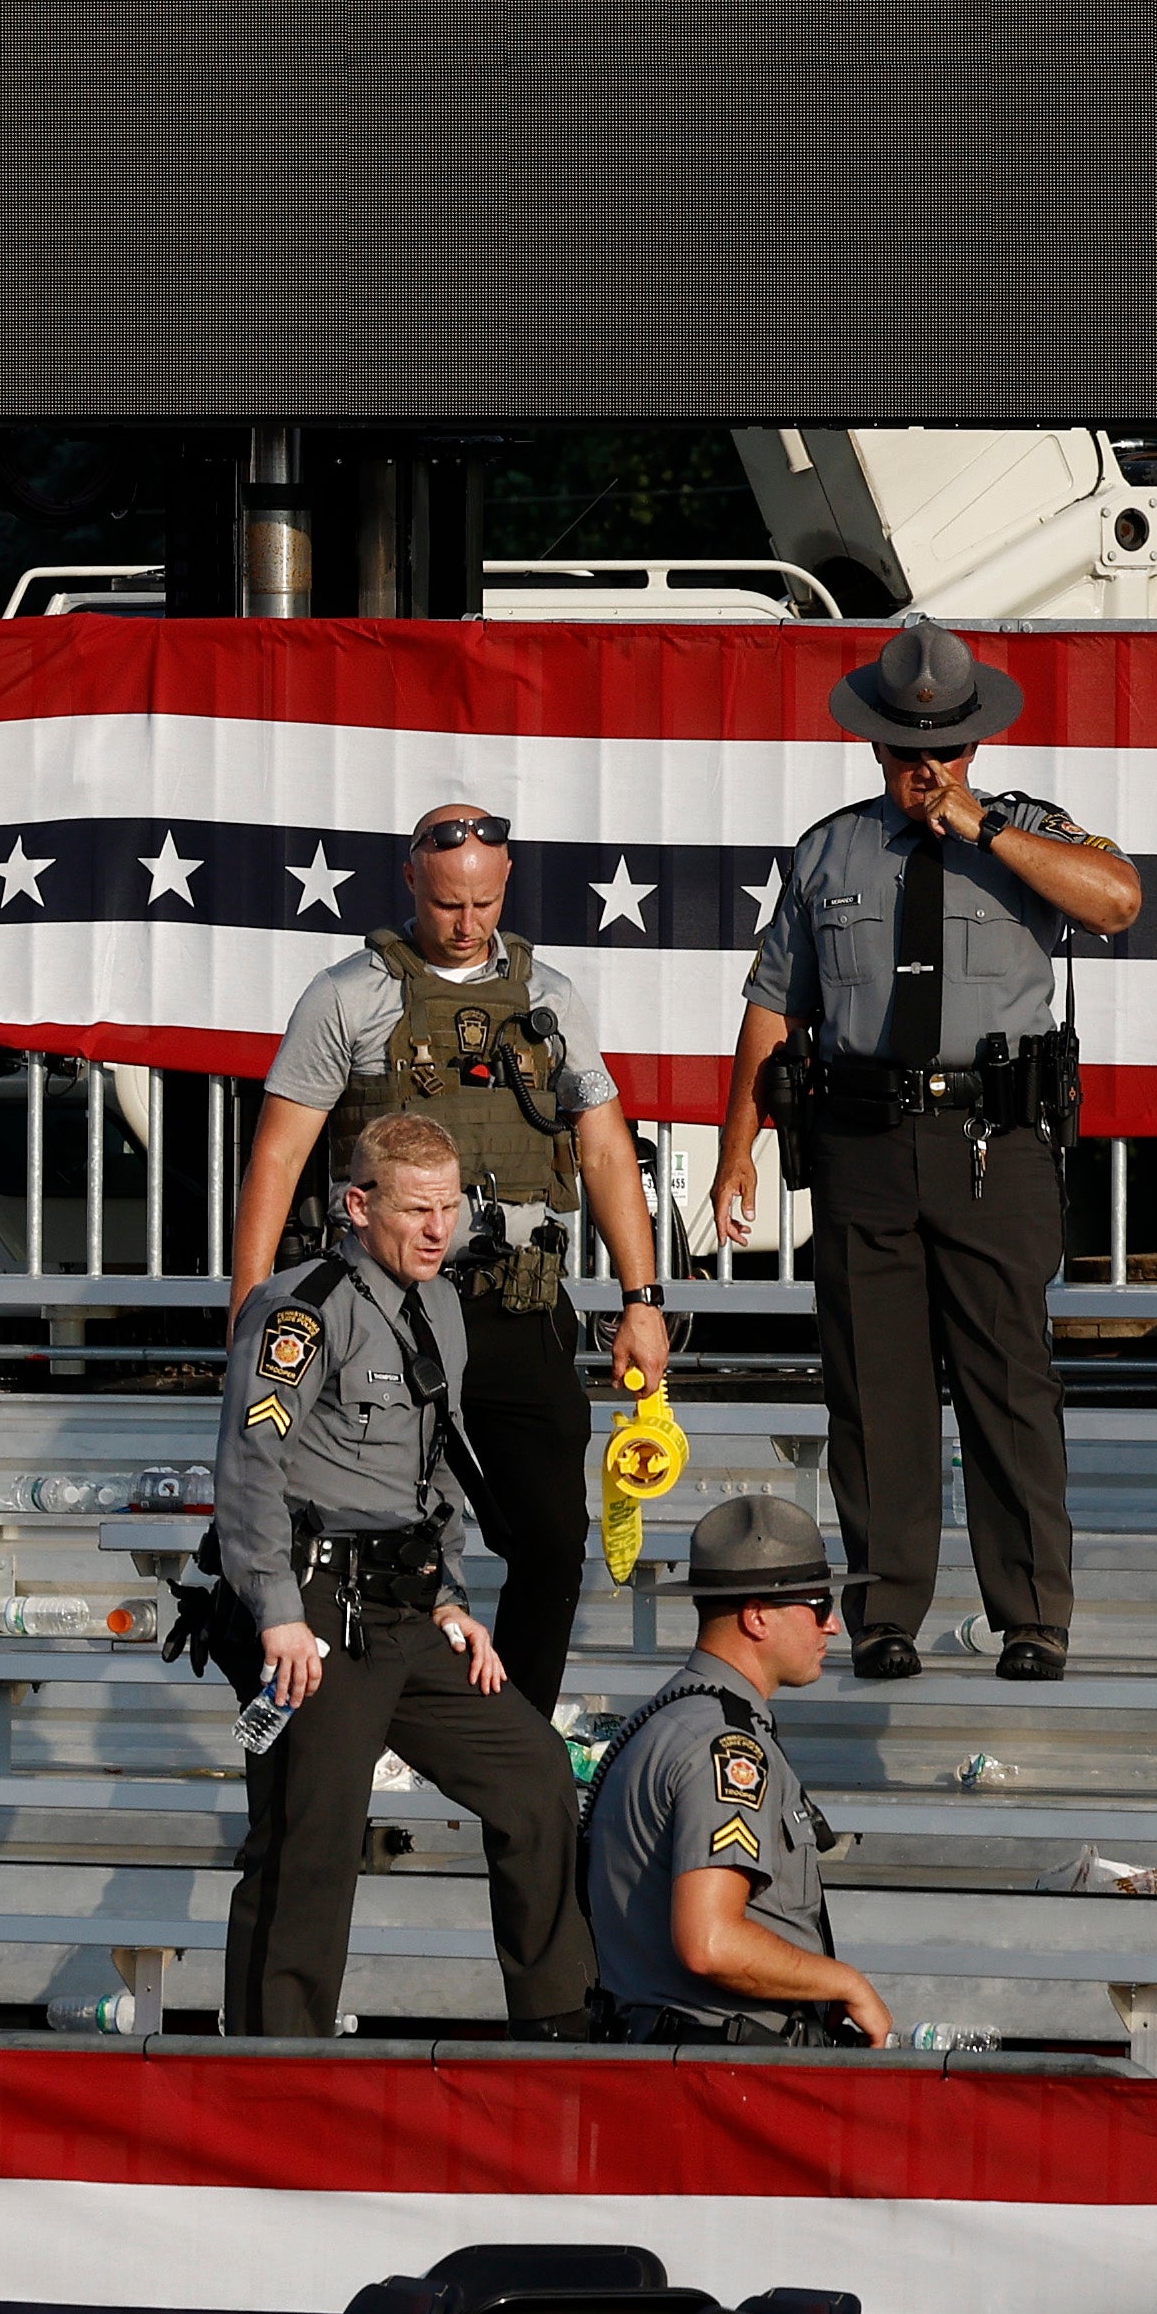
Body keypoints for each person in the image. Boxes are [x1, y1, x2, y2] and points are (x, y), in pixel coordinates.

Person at [712, 619, 1143, 1683]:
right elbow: (773, 1008)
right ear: (874, 750)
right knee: (874, 1389)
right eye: (908, 752)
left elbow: (1118, 899)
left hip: (991, 1144)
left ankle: (1030, 1615)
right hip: (861, 1139)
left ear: (972, 749)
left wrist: (984, 828)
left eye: (943, 750)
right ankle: (881, 1612)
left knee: (1007, 1385)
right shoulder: (828, 851)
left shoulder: (1027, 831)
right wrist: (737, 1150)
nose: (925, 769)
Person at [232, 802, 671, 1719]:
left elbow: (602, 1147)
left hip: (517, 1306)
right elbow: (278, 1154)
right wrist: (250, 1303)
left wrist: (643, 1296)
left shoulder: (551, 998)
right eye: (445, 906)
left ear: (505, 886)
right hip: (380, 1315)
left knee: (551, 1541)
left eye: (481, 904)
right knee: (381, 1537)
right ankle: (380, 1720)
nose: (466, 924)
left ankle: (513, 1738)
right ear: (410, 883)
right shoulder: (349, 995)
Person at [214, 1111, 599, 2040]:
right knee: (310, 1839)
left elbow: (438, 1476)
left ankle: (559, 2025)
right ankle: (274, 2062)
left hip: (409, 1606)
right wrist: (274, 1613)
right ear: (357, 1205)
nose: (440, 1228)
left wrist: (456, 1601)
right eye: (417, 1209)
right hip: (315, 1605)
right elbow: (249, 1470)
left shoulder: (441, 1309)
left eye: (452, 1206)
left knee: (536, 1774)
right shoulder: (299, 1310)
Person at [582, 1496, 893, 2048]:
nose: (835, 1626)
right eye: (819, 1605)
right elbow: (711, 1941)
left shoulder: (673, 1715)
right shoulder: (726, 1745)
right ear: (757, 1616)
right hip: (718, 2066)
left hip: (675, 2053)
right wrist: (846, 1984)